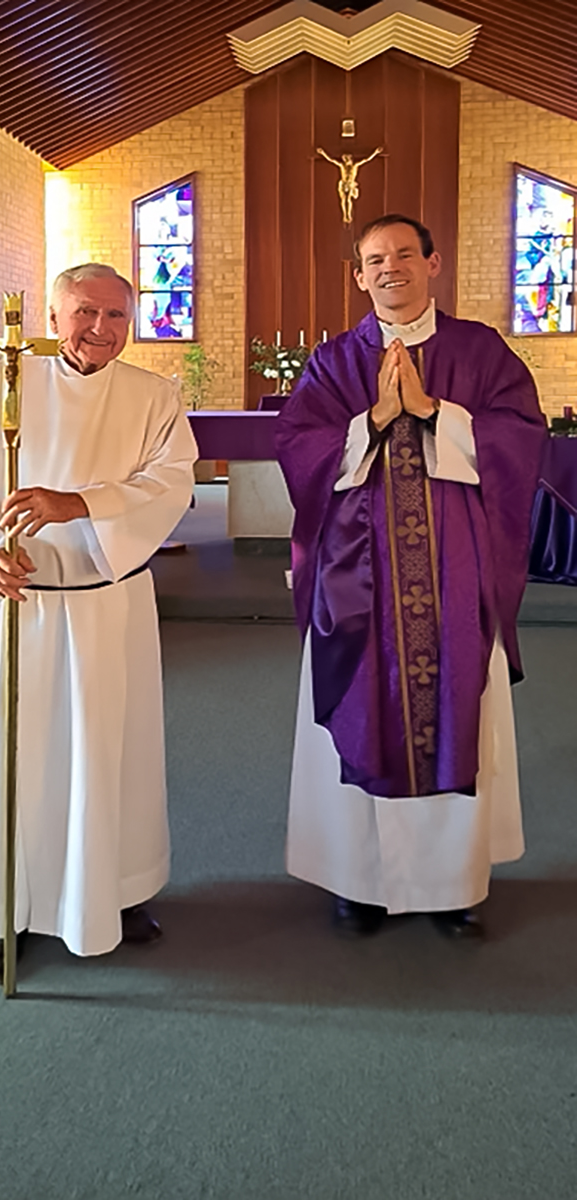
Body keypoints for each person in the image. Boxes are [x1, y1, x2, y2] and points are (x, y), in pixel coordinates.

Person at [0, 262, 197, 981]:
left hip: (109, 604)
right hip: (23, 610)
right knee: (20, 762)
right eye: (84, 312)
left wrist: (79, 503)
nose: (100, 330)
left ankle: (122, 890)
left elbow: (171, 484)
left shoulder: (153, 396)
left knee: (116, 752)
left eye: (116, 317)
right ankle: (5, 911)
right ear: (51, 316)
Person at [275, 215, 547, 939]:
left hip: (457, 573)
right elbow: (298, 448)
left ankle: (452, 886)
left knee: (458, 706)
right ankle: (357, 882)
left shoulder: (480, 352)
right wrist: (371, 421)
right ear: (358, 276)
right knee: (362, 708)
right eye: (374, 259)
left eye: (403, 254)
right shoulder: (335, 362)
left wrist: (431, 412)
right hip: (355, 577)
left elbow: (523, 439)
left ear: (433, 264)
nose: (389, 267)